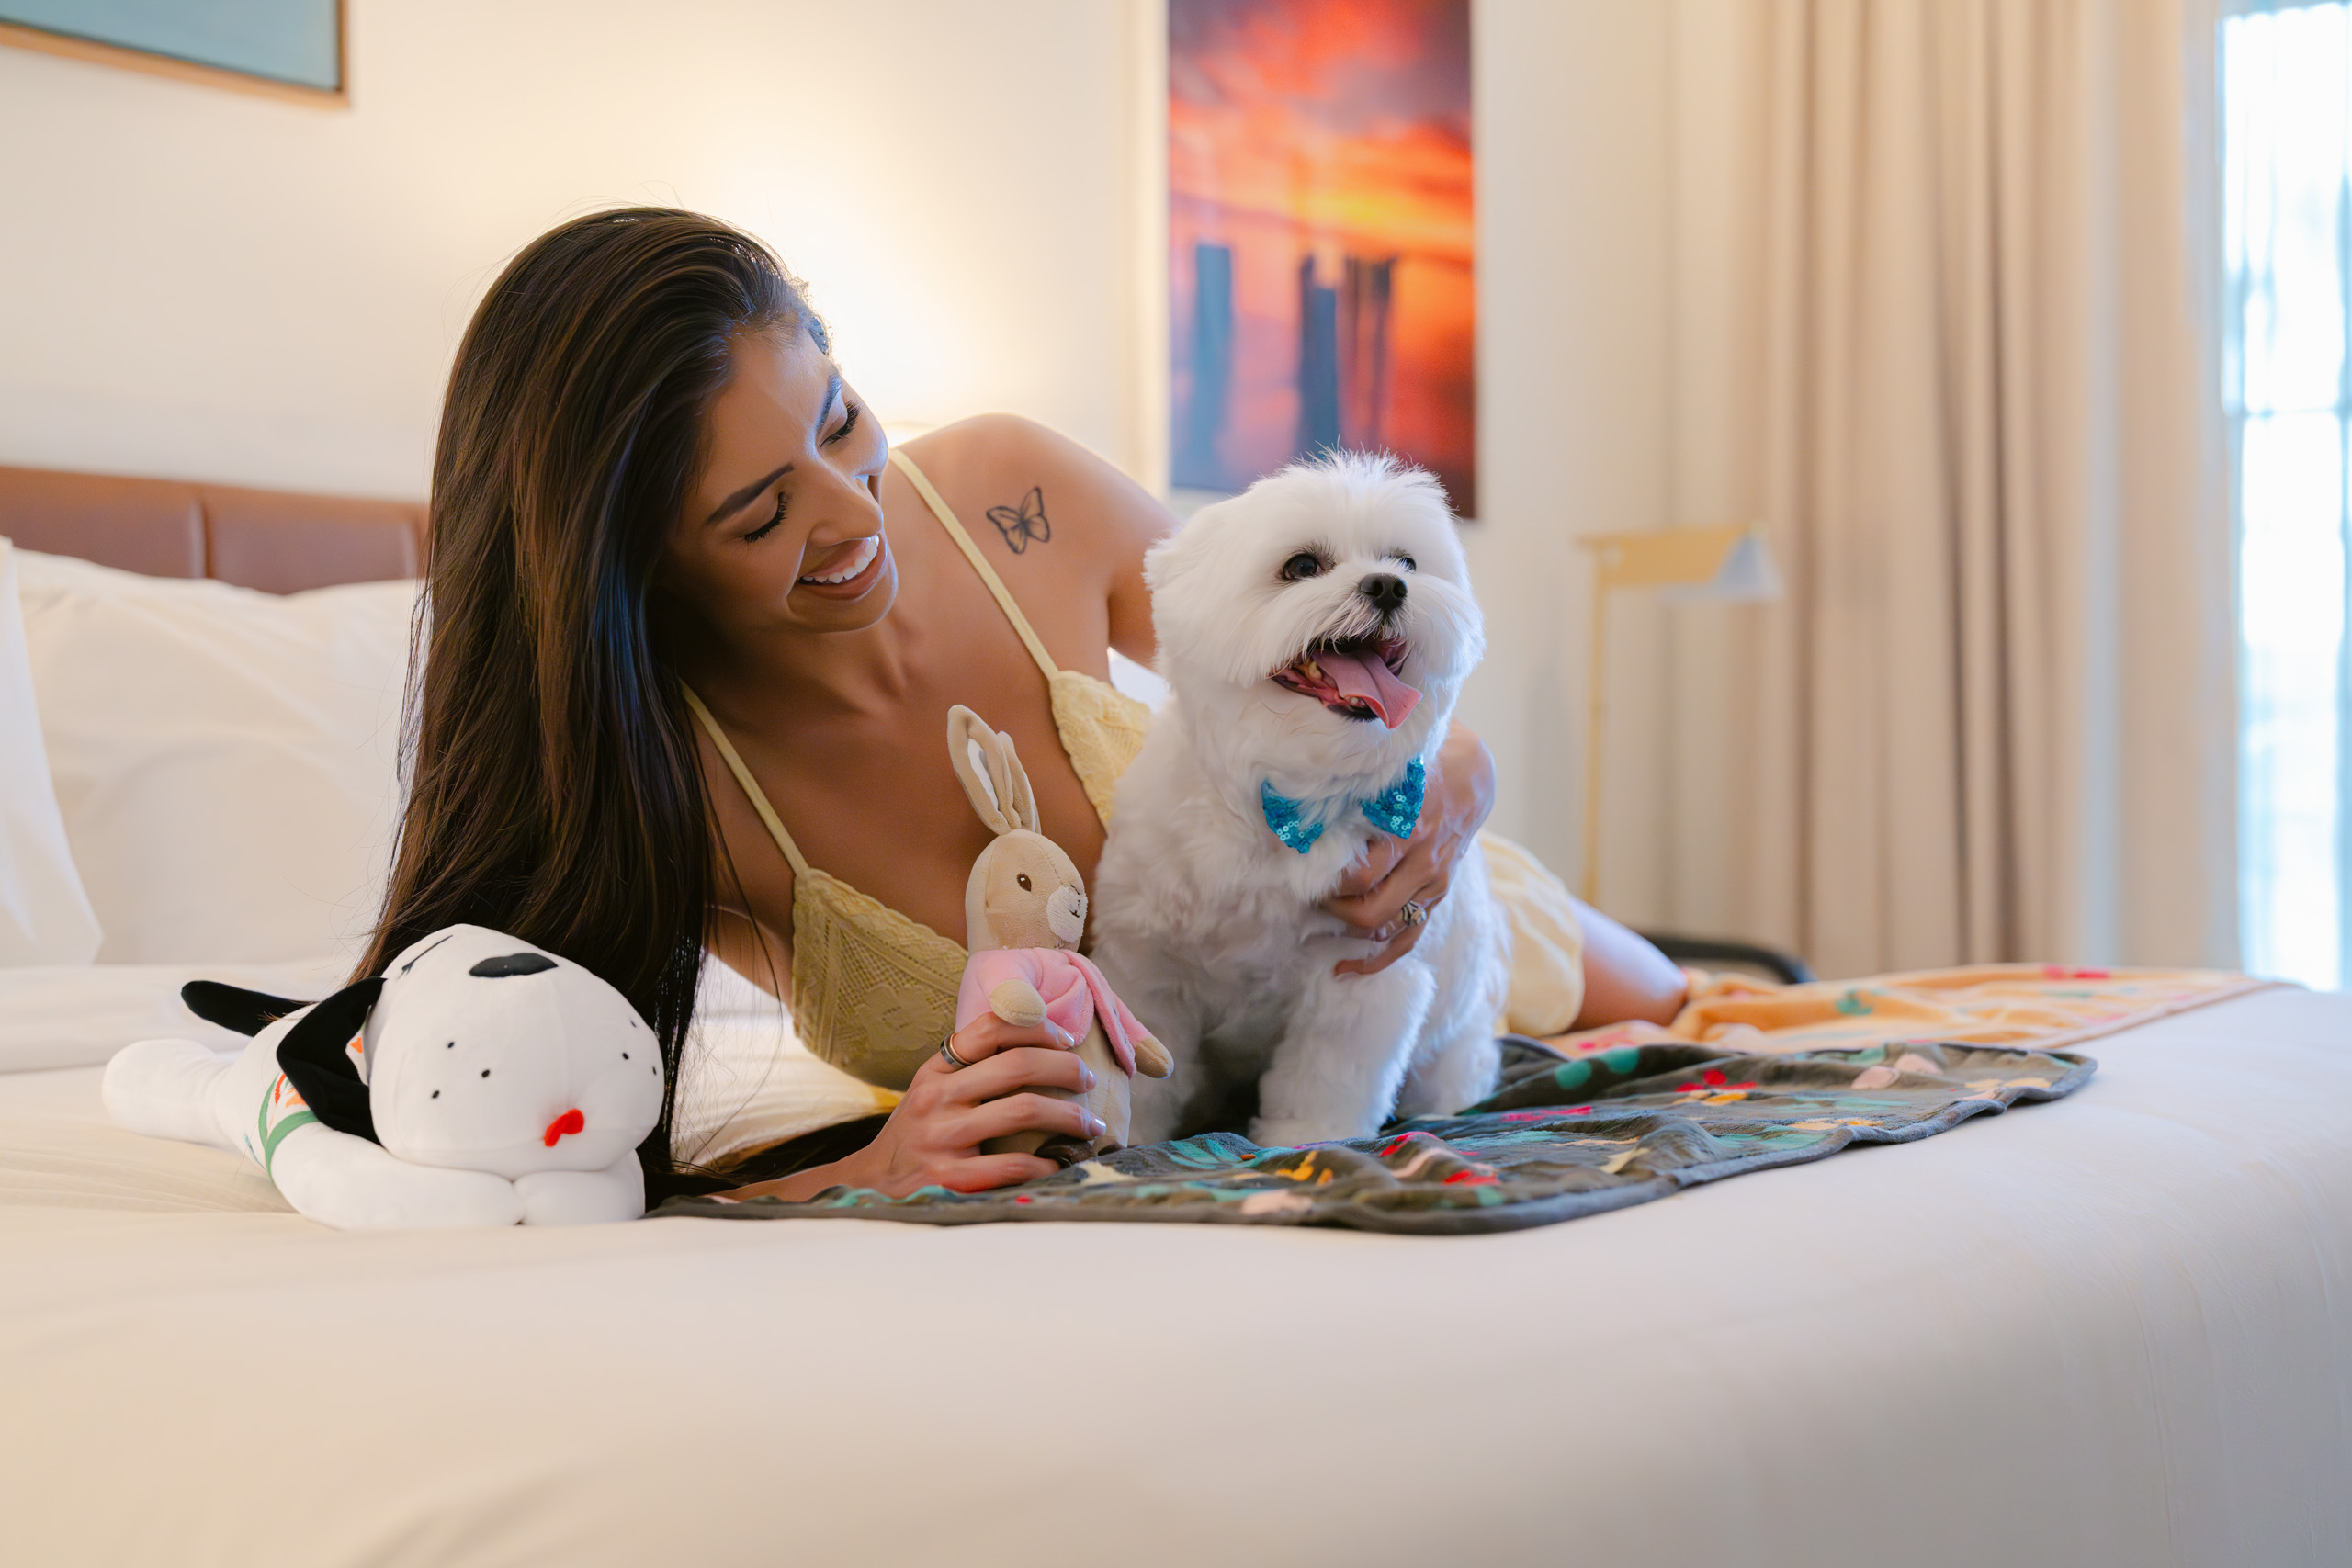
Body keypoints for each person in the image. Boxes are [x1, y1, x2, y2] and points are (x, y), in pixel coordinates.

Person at [362, 209, 1687, 1203]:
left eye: (837, 419)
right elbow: (515, 1142)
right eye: (761, 514)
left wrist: (1460, 778)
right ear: (631, 566)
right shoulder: (662, 782)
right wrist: (876, 1162)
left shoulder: (1012, 490)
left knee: (1686, 1005)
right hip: (1222, 1075)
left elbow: (1285, 630)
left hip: (1402, 901)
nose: (850, 517)